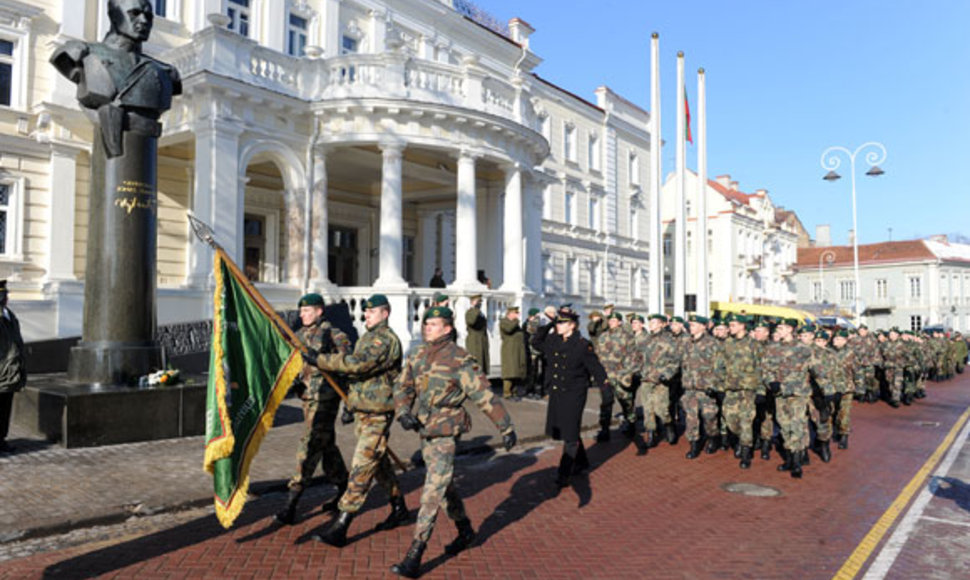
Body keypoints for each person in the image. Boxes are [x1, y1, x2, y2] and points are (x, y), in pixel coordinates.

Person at [389, 306, 517, 578]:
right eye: (426, 324)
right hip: (425, 429)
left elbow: (483, 394)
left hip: (446, 431)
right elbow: (404, 386)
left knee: (432, 490)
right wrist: (403, 412)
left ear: (447, 328)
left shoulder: (459, 358)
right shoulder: (418, 353)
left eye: (434, 324)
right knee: (444, 487)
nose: (427, 328)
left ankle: (415, 553)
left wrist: (505, 427)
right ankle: (466, 531)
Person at [305, 294, 409, 547]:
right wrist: (351, 403)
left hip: (378, 413)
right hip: (364, 410)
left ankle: (342, 525)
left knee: (361, 466)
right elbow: (359, 379)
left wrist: (320, 360)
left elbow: (358, 365)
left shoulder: (385, 340)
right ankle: (399, 507)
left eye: (371, 312)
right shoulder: (367, 337)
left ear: (385, 313)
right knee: (379, 462)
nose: (366, 316)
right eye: (365, 312)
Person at [275, 294, 352, 525]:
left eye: (307, 310)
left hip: (326, 400)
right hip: (308, 399)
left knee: (309, 444)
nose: (302, 314)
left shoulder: (334, 334)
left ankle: (292, 502)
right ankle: (344, 487)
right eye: (301, 311)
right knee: (326, 445)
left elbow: (348, 366)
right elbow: (293, 364)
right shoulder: (297, 336)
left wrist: (350, 401)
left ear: (319, 311)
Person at [531, 305, 612, 487]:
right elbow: (536, 342)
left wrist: (605, 389)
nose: (559, 326)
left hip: (574, 394)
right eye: (558, 322)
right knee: (568, 429)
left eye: (562, 323)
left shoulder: (582, 345)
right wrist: (548, 324)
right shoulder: (553, 340)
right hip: (558, 392)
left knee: (570, 434)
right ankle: (582, 462)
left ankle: (564, 473)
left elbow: (596, 368)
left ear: (572, 325)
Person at [596, 312, 646, 453]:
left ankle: (633, 430)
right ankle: (604, 429)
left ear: (619, 322)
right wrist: (599, 373)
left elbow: (633, 357)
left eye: (614, 320)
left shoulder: (627, 337)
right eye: (609, 320)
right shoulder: (603, 336)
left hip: (621, 376)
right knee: (606, 403)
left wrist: (626, 373)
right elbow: (598, 355)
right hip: (606, 376)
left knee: (627, 404)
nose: (611, 322)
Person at [721, 314, 763, 469]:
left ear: (742, 326)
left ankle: (746, 453)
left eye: (733, 325)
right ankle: (740, 439)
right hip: (730, 388)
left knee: (746, 421)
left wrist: (761, 390)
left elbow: (761, 368)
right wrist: (718, 385)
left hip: (748, 390)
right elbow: (720, 365)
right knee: (730, 419)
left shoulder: (754, 345)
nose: (730, 328)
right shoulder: (727, 343)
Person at [680, 315, 724, 459]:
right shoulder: (687, 343)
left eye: (694, 324)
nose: (690, 326)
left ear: (703, 326)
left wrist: (714, 384)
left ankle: (712, 437)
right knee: (691, 418)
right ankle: (694, 444)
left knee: (709, 417)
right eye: (690, 324)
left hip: (706, 389)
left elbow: (719, 368)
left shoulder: (713, 344)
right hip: (690, 388)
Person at [638, 314, 680, 447]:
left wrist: (666, 374)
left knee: (661, 408)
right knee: (647, 408)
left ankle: (669, 426)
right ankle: (650, 434)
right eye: (650, 322)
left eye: (655, 322)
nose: (651, 324)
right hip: (646, 378)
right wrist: (638, 371)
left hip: (661, 379)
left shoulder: (669, 340)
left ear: (662, 324)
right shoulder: (645, 339)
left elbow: (675, 361)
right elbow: (638, 357)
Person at [0, 280, 26, 453]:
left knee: (5, 408)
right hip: (1, 369)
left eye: (6, 295)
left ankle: (1, 439)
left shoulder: (9, 315)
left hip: (11, 370)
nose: (5, 298)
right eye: (3, 295)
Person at [499, 306, 527, 401]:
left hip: (517, 351)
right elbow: (509, 329)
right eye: (515, 313)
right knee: (509, 372)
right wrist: (516, 321)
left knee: (516, 372)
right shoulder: (504, 322)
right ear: (510, 313)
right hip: (509, 351)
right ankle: (507, 393)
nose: (517, 315)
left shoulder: (515, 324)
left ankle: (514, 392)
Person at [524, 308, 545, 400]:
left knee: (538, 371)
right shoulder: (527, 324)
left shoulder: (539, 324)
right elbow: (529, 333)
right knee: (532, 372)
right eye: (536, 316)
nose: (538, 318)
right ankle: (530, 390)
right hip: (530, 351)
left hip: (538, 350)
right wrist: (533, 323)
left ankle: (538, 390)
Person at [464, 294, 489, 373]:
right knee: (475, 365)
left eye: (480, 302)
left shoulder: (480, 313)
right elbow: (471, 321)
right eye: (477, 302)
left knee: (482, 366)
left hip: (481, 341)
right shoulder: (470, 312)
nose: (479, 304)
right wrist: (475, 309)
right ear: (472, 302)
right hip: (474, 341)